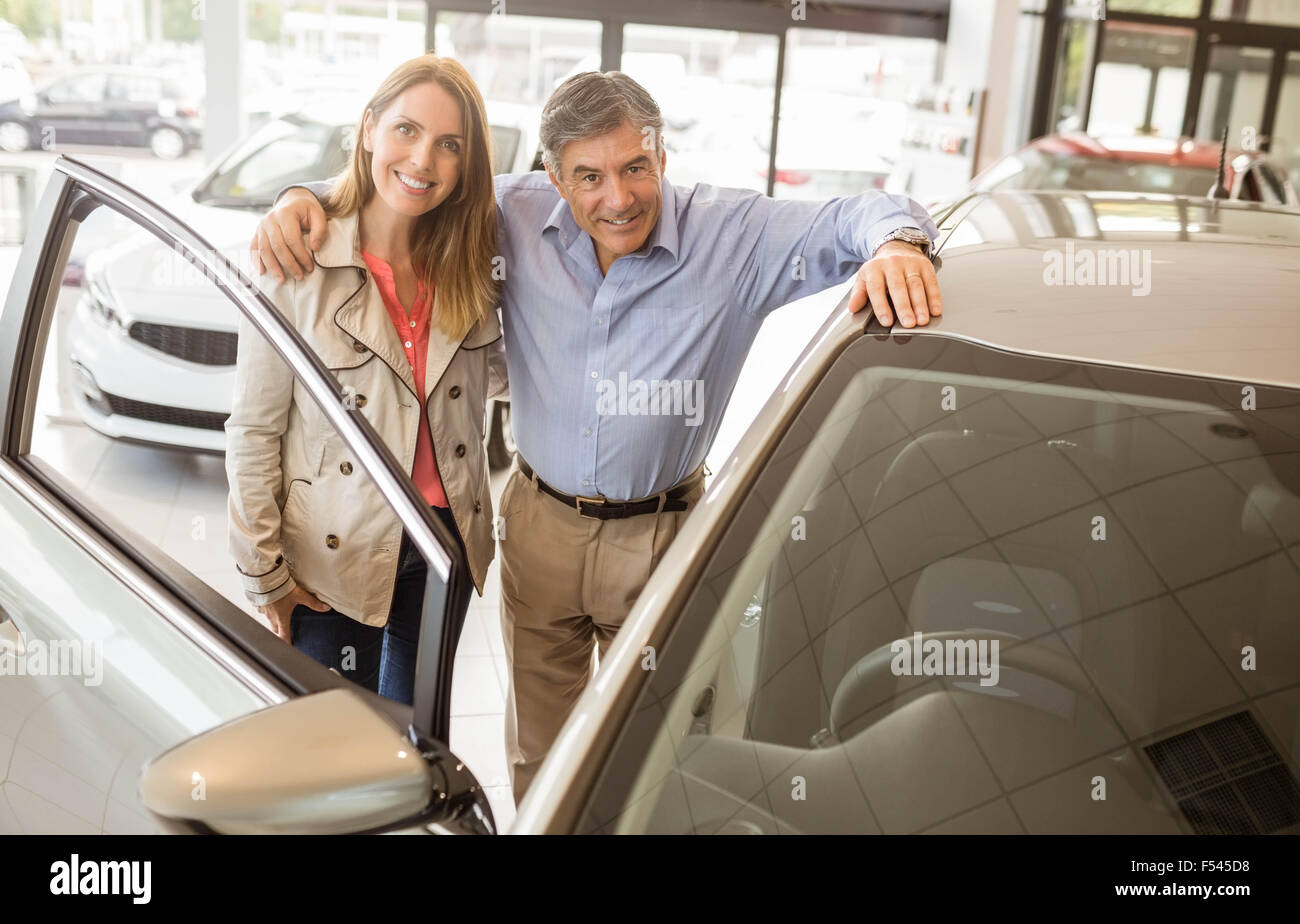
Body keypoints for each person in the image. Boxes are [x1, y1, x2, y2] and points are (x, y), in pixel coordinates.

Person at [249, 70, 942, 801]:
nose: (618, 198)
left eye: (634, 167)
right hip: (540, 524)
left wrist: (898, 245)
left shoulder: (732, 238)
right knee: (540, 752)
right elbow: (408, 186)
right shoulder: (513, 213)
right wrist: (305, 198)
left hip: (666, 538)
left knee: (670, 748)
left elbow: (859, 216)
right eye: (589, 176)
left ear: (661, 157)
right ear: (554, 177)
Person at [226, 55, 506, 726]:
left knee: (414, 747)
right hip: (333, 558)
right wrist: (265, 573)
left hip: (444, 549)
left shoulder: (473, 264)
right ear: (369, 128)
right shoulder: (299, 260)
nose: (424, 159)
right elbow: (254, 429)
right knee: (330, 750)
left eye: (449, 145)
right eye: (406, 131)